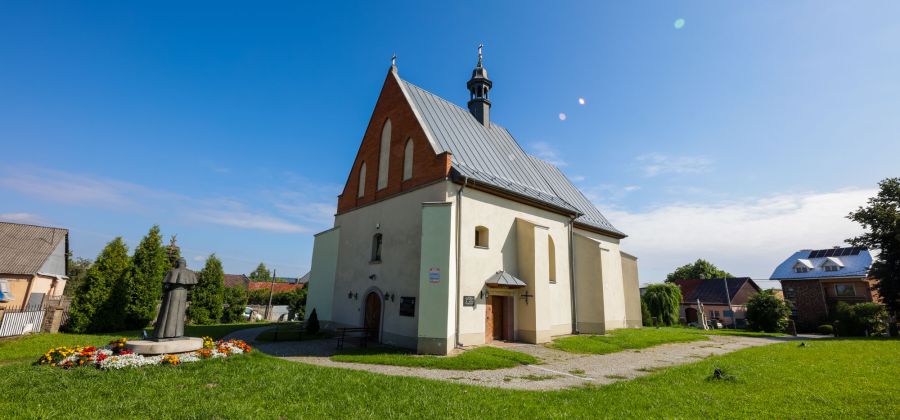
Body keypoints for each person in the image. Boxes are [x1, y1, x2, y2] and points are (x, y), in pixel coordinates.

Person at [153, 258, 197, 340]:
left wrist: (167, 288)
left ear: (177, 264)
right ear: (185, 264)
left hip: (172, 294)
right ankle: (178, 334)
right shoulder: (190, 273)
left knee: (169, 312)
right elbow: (192, 286)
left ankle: (165, 334)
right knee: (180, 314)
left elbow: (166, 286)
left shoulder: (173, 272)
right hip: (183, 294)